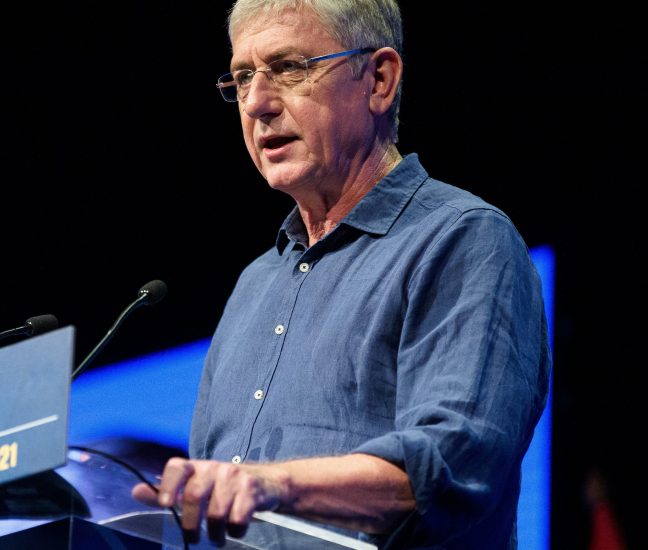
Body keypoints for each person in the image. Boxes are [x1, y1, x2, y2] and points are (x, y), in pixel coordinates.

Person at [131, 0, 551, 548]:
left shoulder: (462, 240)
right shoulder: (254, 285)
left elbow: (451, 466)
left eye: (289, 67)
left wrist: (270, 484)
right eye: (242, 77)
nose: (256, 103)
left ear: (378, 81)